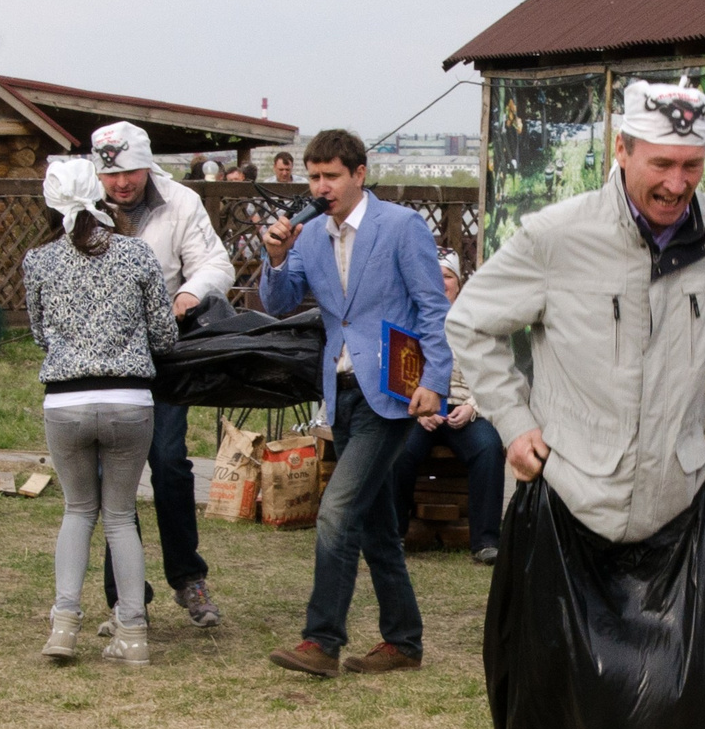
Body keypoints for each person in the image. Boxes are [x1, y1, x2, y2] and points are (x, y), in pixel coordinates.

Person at [447, 78, 705, 729]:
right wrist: (515, 421)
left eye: (692, 166)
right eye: (661, 163)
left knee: (670, 702)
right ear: (621, 151)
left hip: (675, 493)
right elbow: (474, 324)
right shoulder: (556, 237)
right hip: (569, 492)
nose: (676, 184)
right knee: (562, 698)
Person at [257, 128, 451, 677]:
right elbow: (281, 302)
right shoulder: (311, 234)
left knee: (337, 512)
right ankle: (404, 642)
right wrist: (276, 257)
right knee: (372, 525)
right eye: (313, 177)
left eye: (332, 176)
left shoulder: (400, 226)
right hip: (340, 392)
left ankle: (322, 641)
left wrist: (435, 379)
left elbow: (432, 307)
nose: (322, 187)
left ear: (359, 175)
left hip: (393, 394)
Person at [24, 156, 180, 666]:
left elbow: (39, 334)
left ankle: (63, 626)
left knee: (76, 512)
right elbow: (163, 334)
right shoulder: (136, 255)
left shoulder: (38, 261)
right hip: (129, 399)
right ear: (100, 193)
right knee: (119, 516)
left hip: (66, 401)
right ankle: (133, 631)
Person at [91, 120, 231, 629]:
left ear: (147, 166)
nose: (121, 184)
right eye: (111, 176)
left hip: (165, 354)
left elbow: (215, 262)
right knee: (113, 476)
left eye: (129, 173)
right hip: (103, 360)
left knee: (170, 463)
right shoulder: (84, 205)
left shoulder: (181, 202)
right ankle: (125, 599)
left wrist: (191, 293)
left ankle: (188, 579)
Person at [387, 252, 504, 564]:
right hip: (419, 410)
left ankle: (485, 542)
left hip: (464, 409)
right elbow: (397, 373)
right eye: (433, 276)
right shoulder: (408, 319)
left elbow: (494, 373)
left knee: (489, 448)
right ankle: (393, 535)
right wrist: (418, 409)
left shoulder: (477, 323)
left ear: (459, 284)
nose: (441, 283)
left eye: (448, 276)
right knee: (398, 450)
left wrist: (472, 407)